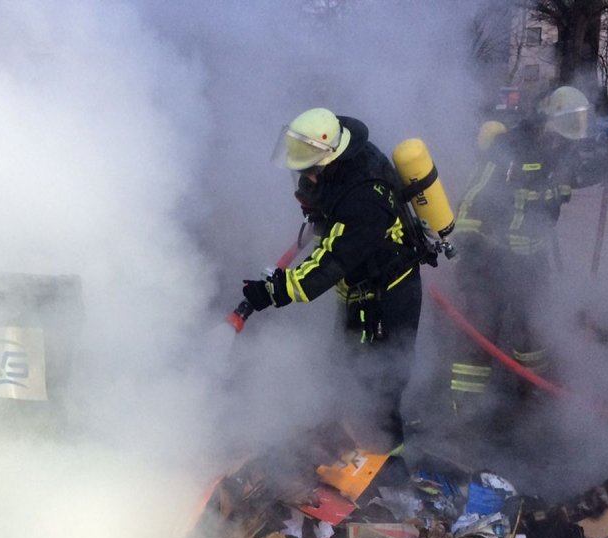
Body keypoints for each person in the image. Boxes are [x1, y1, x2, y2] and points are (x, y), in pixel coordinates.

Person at [240, 107, 431, 445]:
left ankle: (387, 466)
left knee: (380, 387)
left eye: (310, 171)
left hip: (386, 298)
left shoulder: (365, 200)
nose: (304, 179)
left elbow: (330, 262)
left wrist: (275, 291)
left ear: (330, 160)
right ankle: (338, 445)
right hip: (360, 291)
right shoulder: (348, 158)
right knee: (341, 372)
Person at [441, 86, 588, 431]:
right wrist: (470, 248)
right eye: (565, 126)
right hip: (489, 258)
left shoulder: (564, 155)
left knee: (532, 329)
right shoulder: (509, 148)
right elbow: (472, 199)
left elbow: (555, 199)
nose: (567, 138)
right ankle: (465, 406)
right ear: (548, 120)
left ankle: (529, 392)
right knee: (480, 329)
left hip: (531, 260)